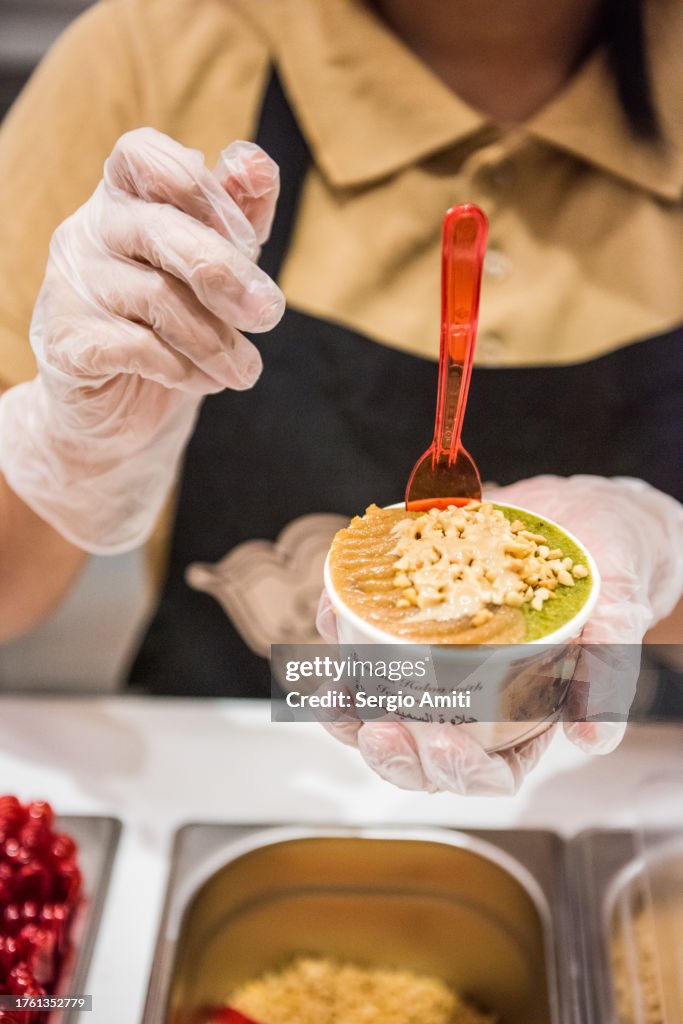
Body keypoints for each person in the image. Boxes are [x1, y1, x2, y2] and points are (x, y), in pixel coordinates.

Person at [0, 0, 681, 794]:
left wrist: (663, 555)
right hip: (225, 780)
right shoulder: (158, 52)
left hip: (623, 792)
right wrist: (67, 450)